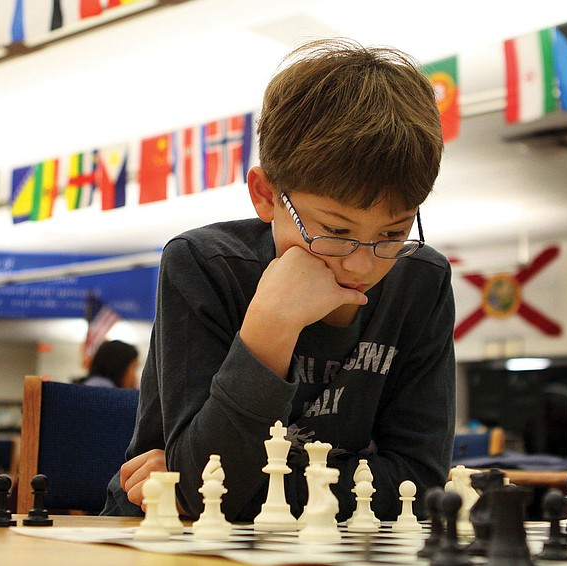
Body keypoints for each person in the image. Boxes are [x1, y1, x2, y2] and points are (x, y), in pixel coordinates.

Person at [102, 38, 456, 523]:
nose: (361, 264)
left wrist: (240, 486)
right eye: (335, 231)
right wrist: (270, 327)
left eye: (393, 234)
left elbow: (421, 485)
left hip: (334, 546)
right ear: (265, 194)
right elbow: (202, 497)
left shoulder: (422, 280)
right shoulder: (203, 265)